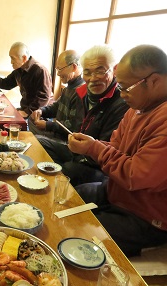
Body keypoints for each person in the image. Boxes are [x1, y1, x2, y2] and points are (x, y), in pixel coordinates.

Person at [68, 44, 167, 257]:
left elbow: (135, 175)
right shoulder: (137, 108)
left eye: (126, 88)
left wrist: (94, 148)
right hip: (118, 193)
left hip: (149, 217)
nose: (121, 95)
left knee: (80, 233)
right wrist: (93, 146)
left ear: (154, 80)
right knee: (70, 197)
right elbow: (116, 147)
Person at [42, 45, 129, 186]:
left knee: (68, 170)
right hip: (78, 152)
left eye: (100, 71)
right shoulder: (81, 92)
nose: (93, 79)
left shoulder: (122, 103)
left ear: (114, 69)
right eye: (87, 72)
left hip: (98, 164)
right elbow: (75, 127)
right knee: (41, 142)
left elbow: (110, 151)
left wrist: (79, 153)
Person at [28, 50, 85, 143]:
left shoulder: (81, 92)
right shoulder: (68, 88)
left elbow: (73, 127)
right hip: (57, 132)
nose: (58, 73)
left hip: (66, 141)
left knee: (38, 140)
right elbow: (56, 107)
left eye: (60, 69)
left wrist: (48, 125)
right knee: (31, 119)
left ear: (74, 67)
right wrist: (41, 111)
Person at [0, 42, 53, 116]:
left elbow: (44, 97)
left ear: (24, 58)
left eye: (13, 58)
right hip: (25, 109)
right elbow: (7, 83)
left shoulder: (40, 70)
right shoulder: (19, 70)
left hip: (40, 114)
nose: (11, 62)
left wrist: (27, 112)